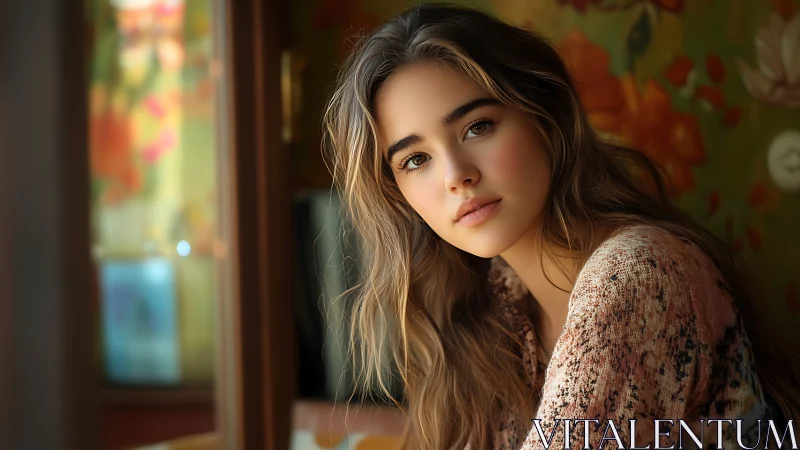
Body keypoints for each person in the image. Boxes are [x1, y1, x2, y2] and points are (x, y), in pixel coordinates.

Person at [321, 3, 799, 449]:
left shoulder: (635, 275)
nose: (455, 175)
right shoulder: (496, 302)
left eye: (477, 127)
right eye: (416, 159)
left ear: (541, 115)